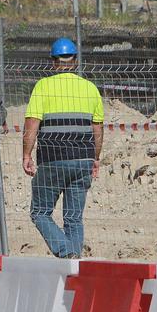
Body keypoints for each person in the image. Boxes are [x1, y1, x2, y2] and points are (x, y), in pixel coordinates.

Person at [22, 37, 103, 259]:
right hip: (83, 160)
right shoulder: (90, 88)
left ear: (53, 62)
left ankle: (66, 252)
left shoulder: (43, 86)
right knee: (74, 218)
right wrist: (95, 159)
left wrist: (26, 154)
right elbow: (97, 129)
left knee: (40, 212)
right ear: (75, 61)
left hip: (53, 159)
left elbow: (32, 124)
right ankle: (74, 264)